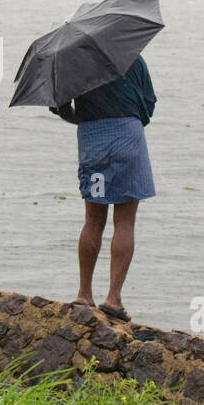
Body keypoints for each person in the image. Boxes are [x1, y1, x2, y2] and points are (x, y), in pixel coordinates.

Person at [50, 54, 156, 321]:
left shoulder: (73, 61)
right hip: (128, 135)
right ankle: (113, 298)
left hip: (92, 137)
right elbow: (149, 104)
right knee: (125, 222)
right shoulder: (132, 57)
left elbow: (60, 106)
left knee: (93, 221)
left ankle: (84, 294)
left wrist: (81, 117)